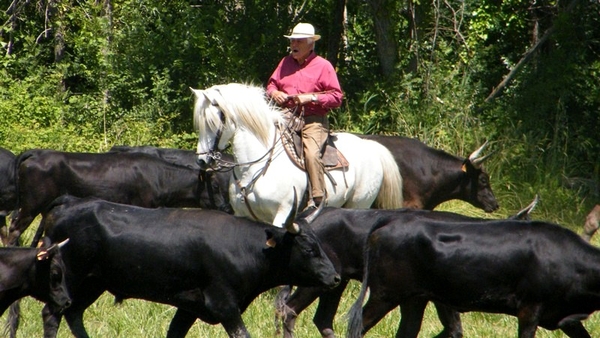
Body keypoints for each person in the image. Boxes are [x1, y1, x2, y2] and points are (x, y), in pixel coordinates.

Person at [267, 22, 343, 209]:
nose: (294, 44)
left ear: (311, 44)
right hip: (285, 116)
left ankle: (317, 198)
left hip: (313, 120)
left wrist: (312, 98)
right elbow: (271, 85)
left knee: (311, 153)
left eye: (299, 41)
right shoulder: (285, 63)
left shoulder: (323, 66)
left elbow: (336, 97)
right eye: (293, 40)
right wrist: (274, 93)